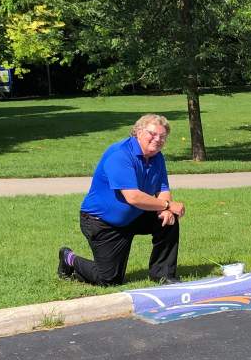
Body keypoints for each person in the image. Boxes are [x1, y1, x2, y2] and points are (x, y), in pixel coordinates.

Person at [57, 114, 185, 286]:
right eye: (152, 134)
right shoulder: (120, 154)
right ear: (138, 132)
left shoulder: (157, 156)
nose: (158, 139)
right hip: (102, 222)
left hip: (133, 216)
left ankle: (163, 275)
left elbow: (162, 188)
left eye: (162, 136)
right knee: (109, 279)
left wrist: (166, 210)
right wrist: (168, 205)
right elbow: (132, 197)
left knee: (169, 220)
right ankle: (69, 258)